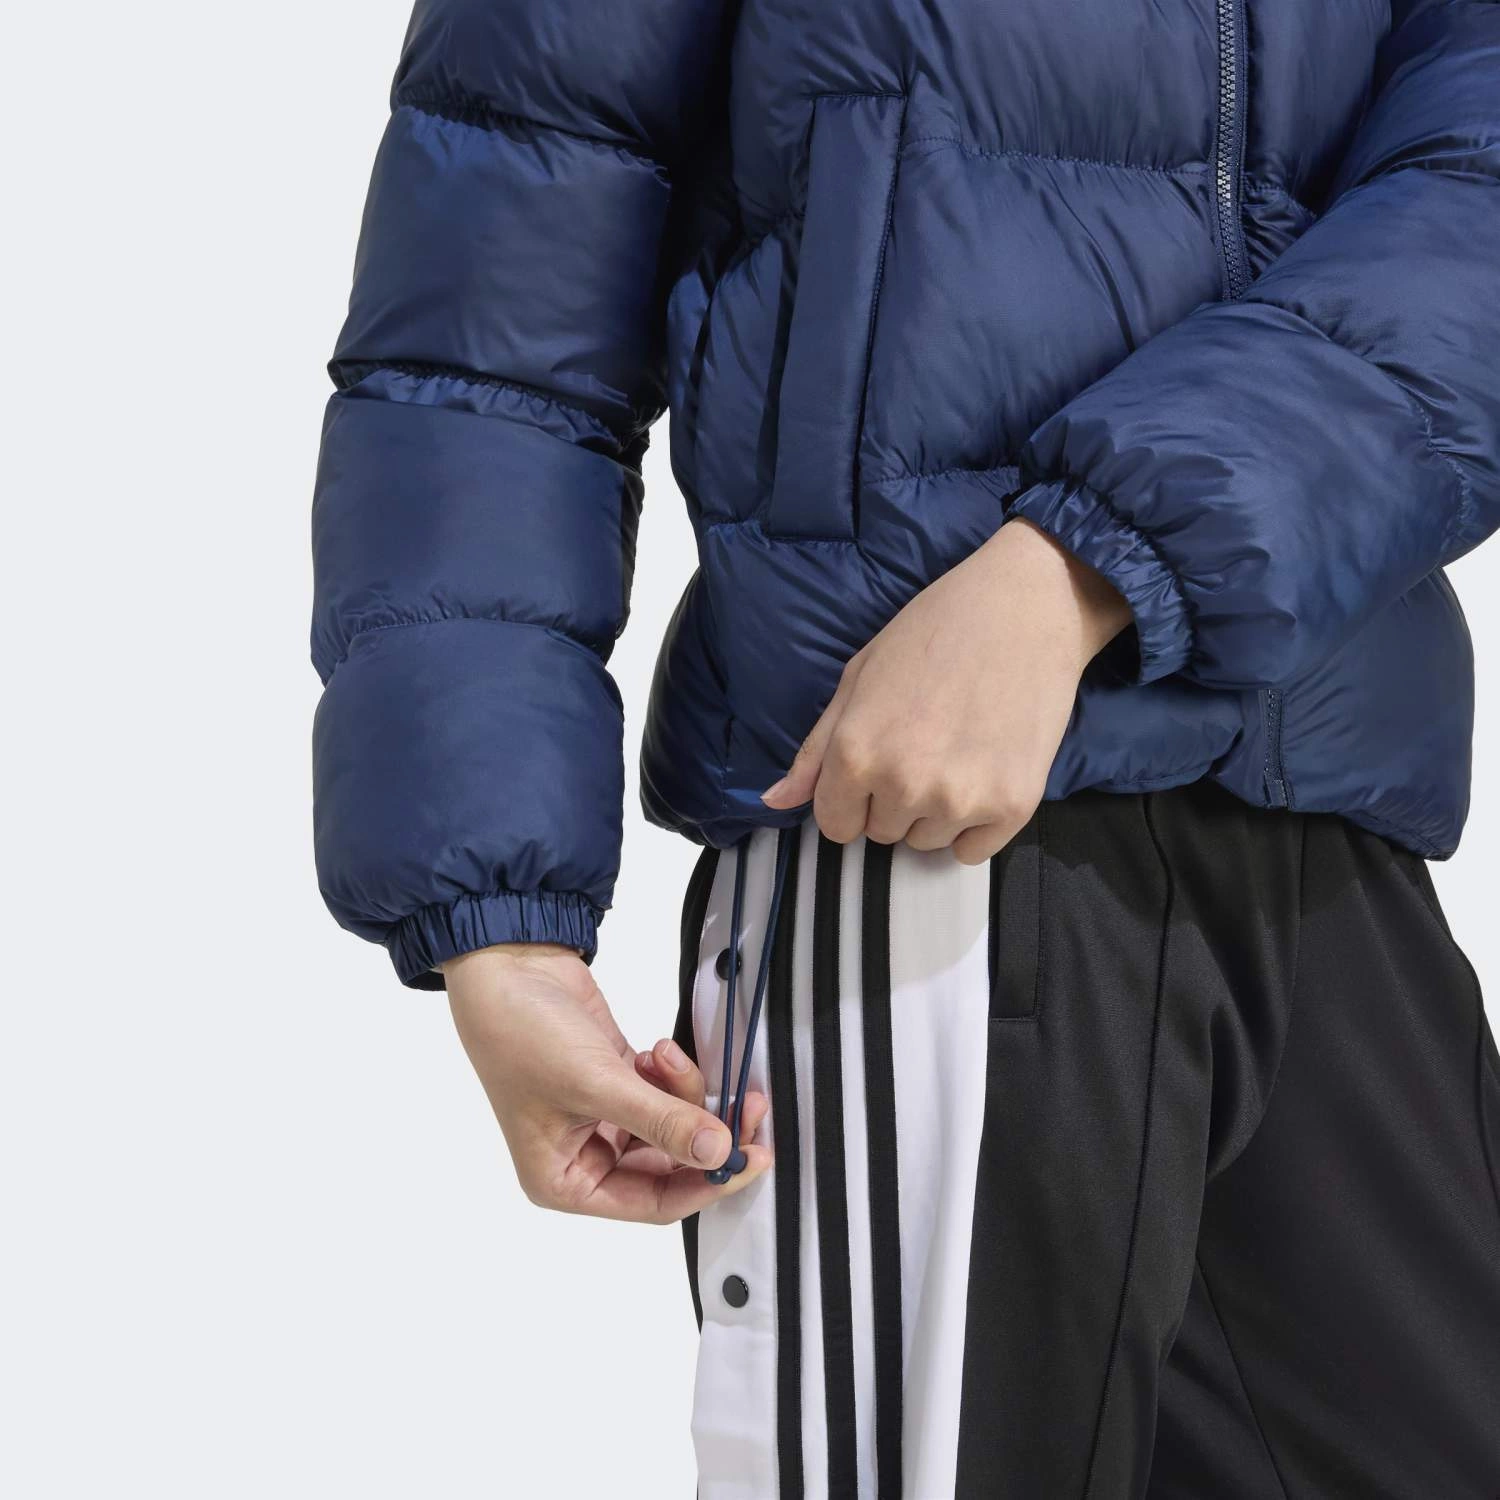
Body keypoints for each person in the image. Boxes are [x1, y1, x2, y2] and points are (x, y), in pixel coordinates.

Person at [310, 1, 1500, 1493]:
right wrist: (494, 907)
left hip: (1328, 834)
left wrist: (1086, 565)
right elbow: (491, 334)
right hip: (915, 841)